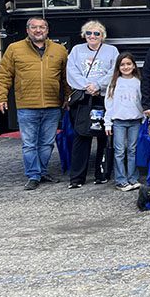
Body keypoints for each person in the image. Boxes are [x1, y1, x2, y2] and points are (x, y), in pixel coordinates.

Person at [0, 16, 69, 190]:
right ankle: (33, 175)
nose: (38, 30)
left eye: (42, 27)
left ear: (47, 30)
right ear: (27, 30)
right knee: (29, 144)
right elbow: (4, 75)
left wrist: (67, 97)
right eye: (34, 27)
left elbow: (66, 78)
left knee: (47, 143)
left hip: (52, 105)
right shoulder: (14, 49)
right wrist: (1, 97)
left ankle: (42, 171)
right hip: (27, 106)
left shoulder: (59, 50)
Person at [65, 20, 119, 188]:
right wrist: (86, 86)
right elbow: (71, 70)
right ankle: (77, 178)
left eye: (97, 33)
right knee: (81, 136)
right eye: (89, 33)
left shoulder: (111, 51)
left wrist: (98, 85)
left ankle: (102, 174)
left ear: (102, 36)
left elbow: (114, 71)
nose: (92, 36)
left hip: (102, 97)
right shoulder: (76, 50)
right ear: (84, 35)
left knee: (104, 136)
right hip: (83, 98)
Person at [104, 52, 144, 191]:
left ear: (134, 65)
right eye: (122, 64)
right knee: (119, 151)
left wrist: (144, 116)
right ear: (118, 67)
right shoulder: (114, 82)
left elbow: (141, 101)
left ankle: (133, 178)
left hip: (135, 120)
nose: (126, 67)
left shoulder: (138, 81)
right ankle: (121, 180)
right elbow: (108, 103)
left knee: (133, 150)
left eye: (129, 64)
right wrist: (107, 122)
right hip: (119, 121)